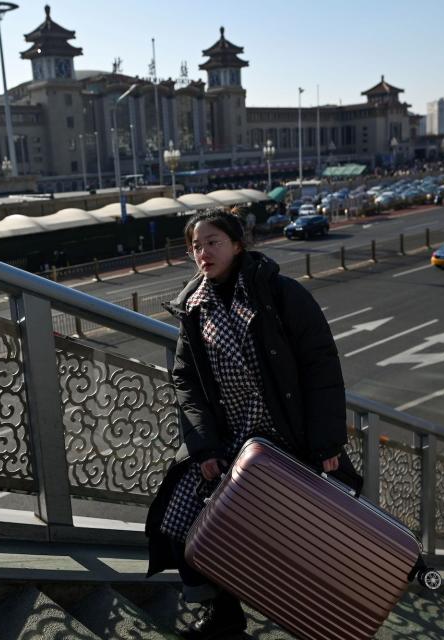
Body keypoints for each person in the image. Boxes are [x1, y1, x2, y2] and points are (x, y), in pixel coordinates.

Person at [146, 209, 361, 638]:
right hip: (229, 441)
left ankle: (317, 617)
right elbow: (185, 380)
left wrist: (327, 443)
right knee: (197, 522)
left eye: (213, 242)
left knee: (295, 535)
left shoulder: (280, 294)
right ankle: (224, 617)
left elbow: (321, 367)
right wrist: (204, 446)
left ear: (237, 245)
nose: (202, 252)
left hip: (287, 437)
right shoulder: (194, 307)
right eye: (195, 245)